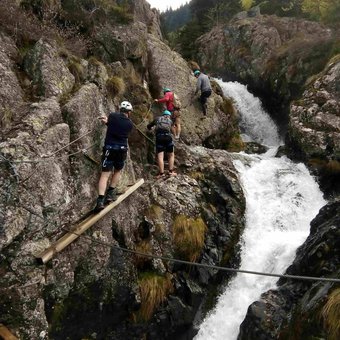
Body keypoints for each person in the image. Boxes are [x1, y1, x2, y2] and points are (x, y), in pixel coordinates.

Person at [94, 101, 134, 212]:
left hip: (109, 149)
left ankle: (100, 200)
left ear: (120, 109)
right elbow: (119, 130)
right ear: (129, 112)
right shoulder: (130, 124)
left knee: (105, 175)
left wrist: (106, 122)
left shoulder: (112, 116)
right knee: (117, 171)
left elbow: (112, 125)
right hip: (121, 150)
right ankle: (111, 193)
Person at [147, 110, 177, 178]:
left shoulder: (157, 118)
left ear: (163, 115)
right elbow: (173, 130)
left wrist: (150, 129)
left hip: (159, 137)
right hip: (168, 137)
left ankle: (161, 173)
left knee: (160, 156)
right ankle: (170, 171)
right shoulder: (170, 121)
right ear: (169, 116)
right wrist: (175, 136)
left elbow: (149, 126)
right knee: (171, 155)